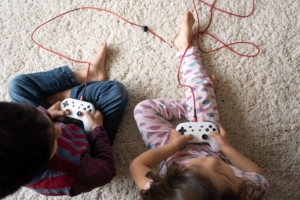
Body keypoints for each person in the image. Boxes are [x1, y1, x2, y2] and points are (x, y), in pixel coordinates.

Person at [130, 11, 269, 200]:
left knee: (142, 109)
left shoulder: (163, 192)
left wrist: (172, 148)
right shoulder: (247, 191)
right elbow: (257, 174)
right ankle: (184, 49)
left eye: (194, 168)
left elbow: (137, 166)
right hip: (210, 143)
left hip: (171, 151)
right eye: (223, 175)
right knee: (201, 86)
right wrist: (226, 149)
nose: (212, 162)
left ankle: (200, 98)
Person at [0, 43, 128, 198]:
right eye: (52, 135)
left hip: (48, 119)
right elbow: (108, 168)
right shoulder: (73, 174)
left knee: (17, 85)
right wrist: (97, 129)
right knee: (116, 92)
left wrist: (45, 114)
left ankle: (88, 74)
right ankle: (63, 95)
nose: (58, 129)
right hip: (87, 138)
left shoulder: (21, 156)